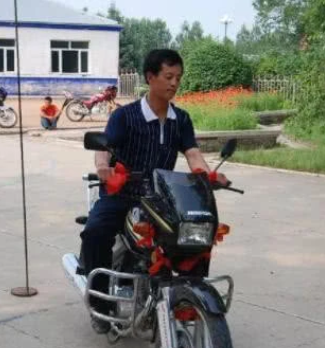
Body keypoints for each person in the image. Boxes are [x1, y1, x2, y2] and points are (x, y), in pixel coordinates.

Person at [79, 49, 228, 333]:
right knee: (95, 231)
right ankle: (101, 305)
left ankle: (187, 296)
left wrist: (207, 176)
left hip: (160, 197)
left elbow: (192, 153)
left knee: (196, 232)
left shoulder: (181, 119)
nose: (174, 83)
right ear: (150, 77)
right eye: (168, 76)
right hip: (123, 193)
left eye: (178, 78)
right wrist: (103, 167)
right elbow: (104, 147)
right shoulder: (125, 116)